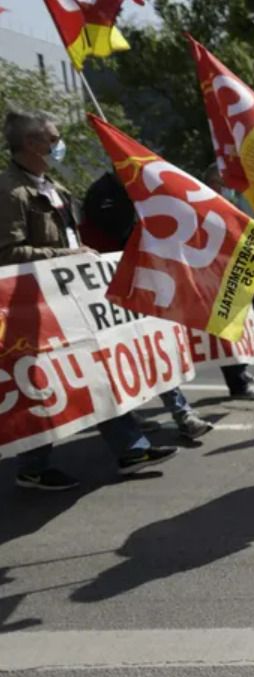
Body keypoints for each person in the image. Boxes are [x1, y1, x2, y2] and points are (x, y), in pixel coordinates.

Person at [0, 110, 176, 491]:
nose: (58, 143)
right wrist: (66, 258)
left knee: (92, 368)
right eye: (53, 137)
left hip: (66, 300)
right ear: (31, 144)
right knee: (46, 383)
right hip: (33, 308)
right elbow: (8, 252)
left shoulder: (53, 187)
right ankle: (32, 466)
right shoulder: (10, 192)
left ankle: (131, 448)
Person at [80, 171, 216, 441]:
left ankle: (183, 414)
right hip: (108, 286)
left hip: (139, 279)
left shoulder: (136, 189)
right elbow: (119, 232)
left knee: (154, 347)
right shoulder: (102, 193)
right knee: (126, 354)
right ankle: (146, 417)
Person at [201, 164, 254, 400]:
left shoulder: (229, 206)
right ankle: (238, 384)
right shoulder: (204, 209)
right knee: (228, 329)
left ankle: (241, 368)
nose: (229, 189)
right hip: (218, 280)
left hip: (239, 275)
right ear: (210, 185)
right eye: (223, 184)